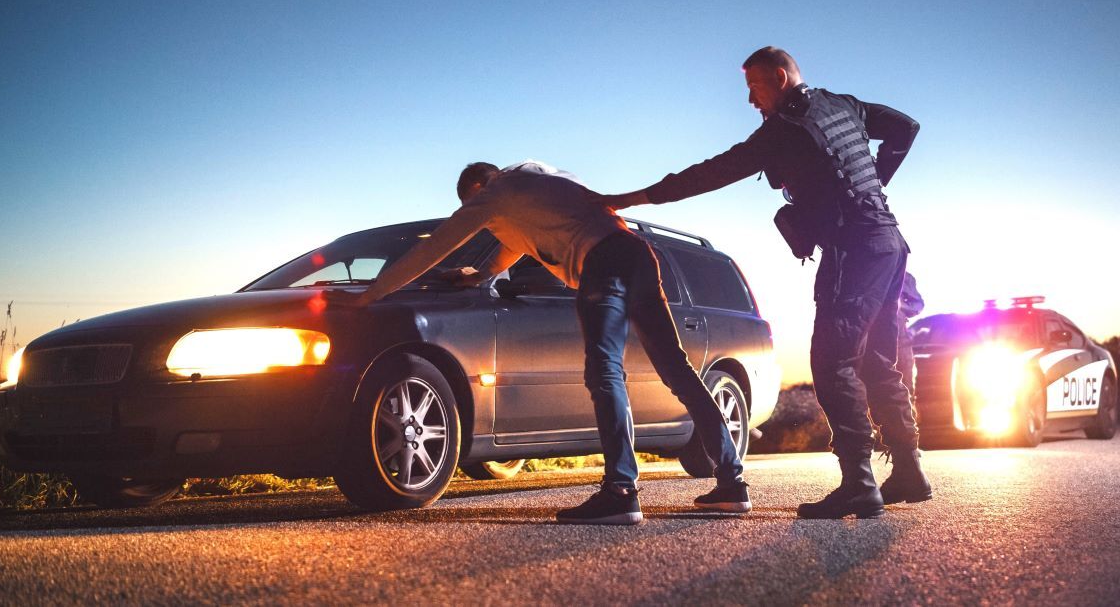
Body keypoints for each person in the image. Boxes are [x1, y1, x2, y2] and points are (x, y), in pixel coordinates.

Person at [596, 47, 931, 518]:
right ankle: (910, 472)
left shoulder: (781, 132)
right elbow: (905, 128)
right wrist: (874, 182)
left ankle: (859, 483)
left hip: (852, 250)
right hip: (889, 244)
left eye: (754, 87)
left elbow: (708, 174)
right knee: (877, 360)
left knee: (833, 364)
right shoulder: (844, 104)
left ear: (779, 76)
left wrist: (630, 198)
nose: (751, 100)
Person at [351, 160, 750, 524]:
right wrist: (478, 275)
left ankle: (621, 491)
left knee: (605, 370)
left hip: (603, 264)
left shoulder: (496, 192)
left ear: (479, 187)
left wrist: (371, 295)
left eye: (482, 213)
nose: (486, 223)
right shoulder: (540, 184)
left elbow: (435, 246)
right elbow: (510, 249)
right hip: (637, 255)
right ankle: (732, 484)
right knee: (677, 370)